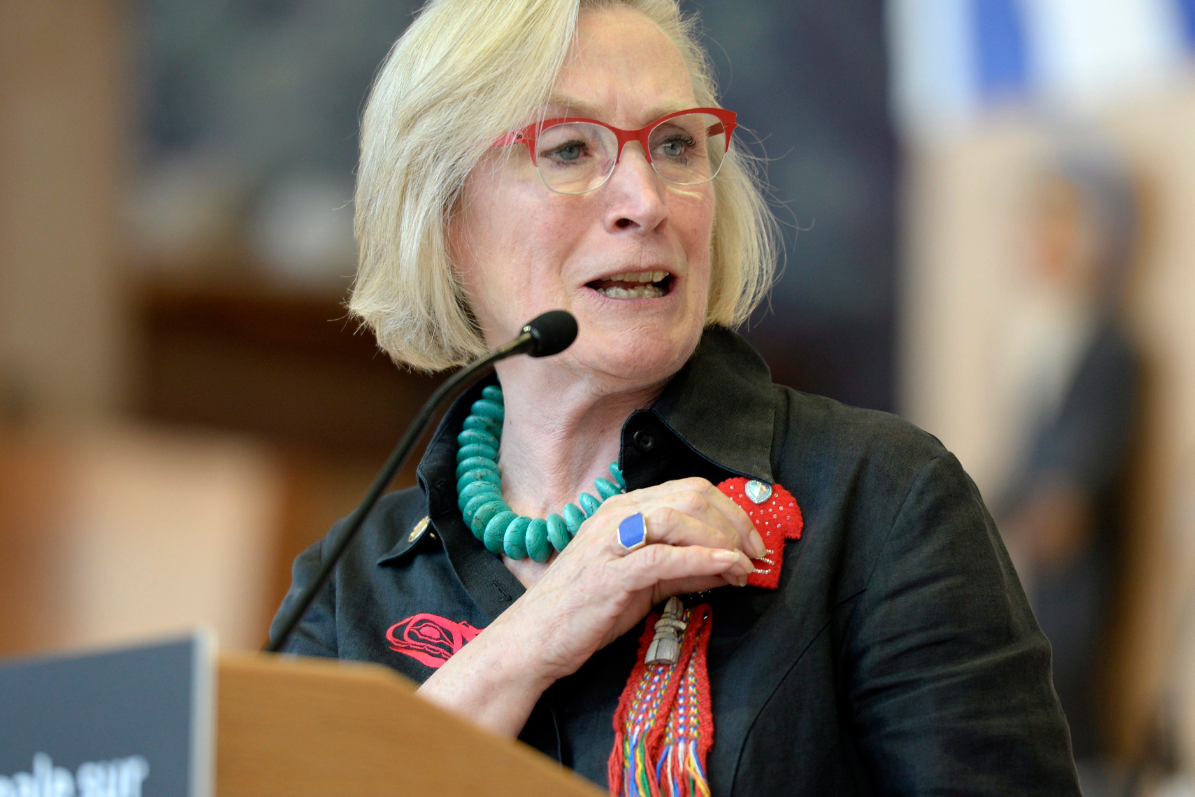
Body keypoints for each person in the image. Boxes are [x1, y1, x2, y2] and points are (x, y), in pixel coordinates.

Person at [271, 0, 1080, 793]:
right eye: (569, 150)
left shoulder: (883, 502)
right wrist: (533, 637)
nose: (646, 201)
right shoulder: (346, 583)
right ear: (444, 214)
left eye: (674, 145)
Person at [995, 150, 1143, 769]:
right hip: (1034, 548)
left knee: (1071, 676)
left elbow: (1088, 450)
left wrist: (1065, 495)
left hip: (1082, 558)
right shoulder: (1041, 335)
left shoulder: (1111, 347)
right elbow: (1028, 453)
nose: (1045, 239)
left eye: (1062, 220)